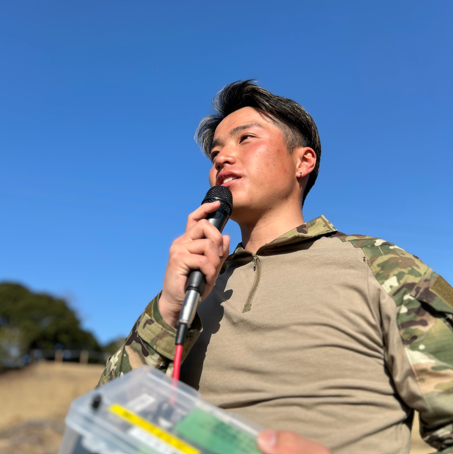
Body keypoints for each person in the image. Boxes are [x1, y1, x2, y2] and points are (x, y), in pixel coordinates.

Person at [98, 81, 453, 454]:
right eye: (215, 152)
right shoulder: (193, 289)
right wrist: (169, 310)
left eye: (246, 139)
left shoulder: (379, 264)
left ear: (304, 162)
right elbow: (105, 421)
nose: (222, 158)